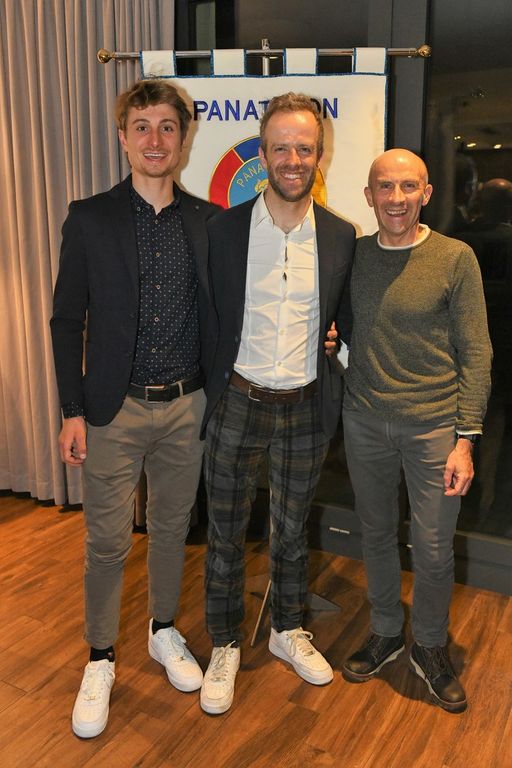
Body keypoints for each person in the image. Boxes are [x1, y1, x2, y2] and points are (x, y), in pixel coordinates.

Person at [50, 80, 219, 738]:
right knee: (107, 542)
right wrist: (71, 408)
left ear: (183, 139)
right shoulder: (89, 218)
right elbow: (67, 320)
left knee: (173, 529)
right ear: (123, 138)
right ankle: (100, 657)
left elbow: (231, 310)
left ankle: (162, 629)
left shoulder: (209, 222)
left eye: (167, 127)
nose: (155, 139)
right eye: (142, 126)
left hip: (187, 406)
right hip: (111, 410)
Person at [199, 92, 355, 715]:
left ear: (320, 155)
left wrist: (336, 341)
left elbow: (344, 317)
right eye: (281, 148)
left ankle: (288, 629)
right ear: (262, 155)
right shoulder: (223, 230)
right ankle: (225, 643)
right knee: (225, 533)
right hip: (238, 402)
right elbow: (208, 316)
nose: (293, 159)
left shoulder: (341, 235)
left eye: (305, 148)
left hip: (305, 407)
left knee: (292, 531)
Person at [340, 148, 492, 713]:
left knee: (432, 549)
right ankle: (385, 631)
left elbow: (477, 352)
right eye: (386, 187)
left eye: (409, 187)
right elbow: (339, 322)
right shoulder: (354, 256)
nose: (397, 198)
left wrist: (465, 440)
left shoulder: (455, 258)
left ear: (426, 193)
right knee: (376, 535)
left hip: (435, 429)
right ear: (369, 196)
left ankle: (429, 645)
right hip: (364, 420)